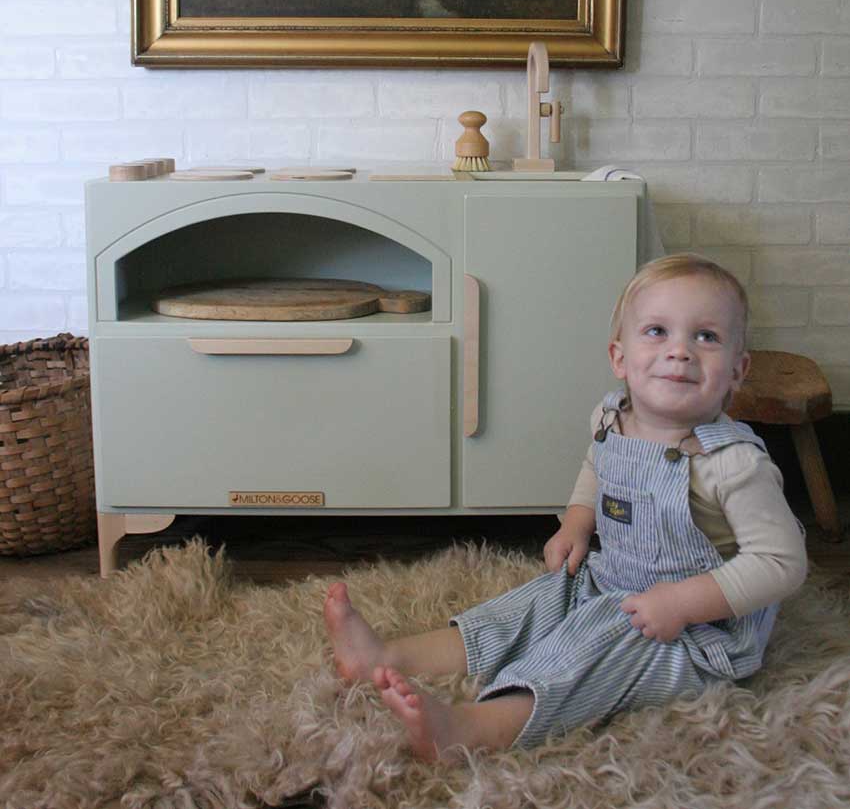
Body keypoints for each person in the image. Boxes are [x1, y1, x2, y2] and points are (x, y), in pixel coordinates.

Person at [323, 253, 808, 761]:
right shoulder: (611, 417)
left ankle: (473, 726)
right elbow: (598, 467)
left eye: (706, 337)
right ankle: (387, 656)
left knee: (588, 654)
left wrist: (682, 604)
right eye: (657, 331)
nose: (680, 352)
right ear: (619, 357)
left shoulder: (731, 463)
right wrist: (578, 520)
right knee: (527, 608)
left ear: (738, 369)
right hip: (612, 579)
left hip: (698, 628)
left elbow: (782, 563)